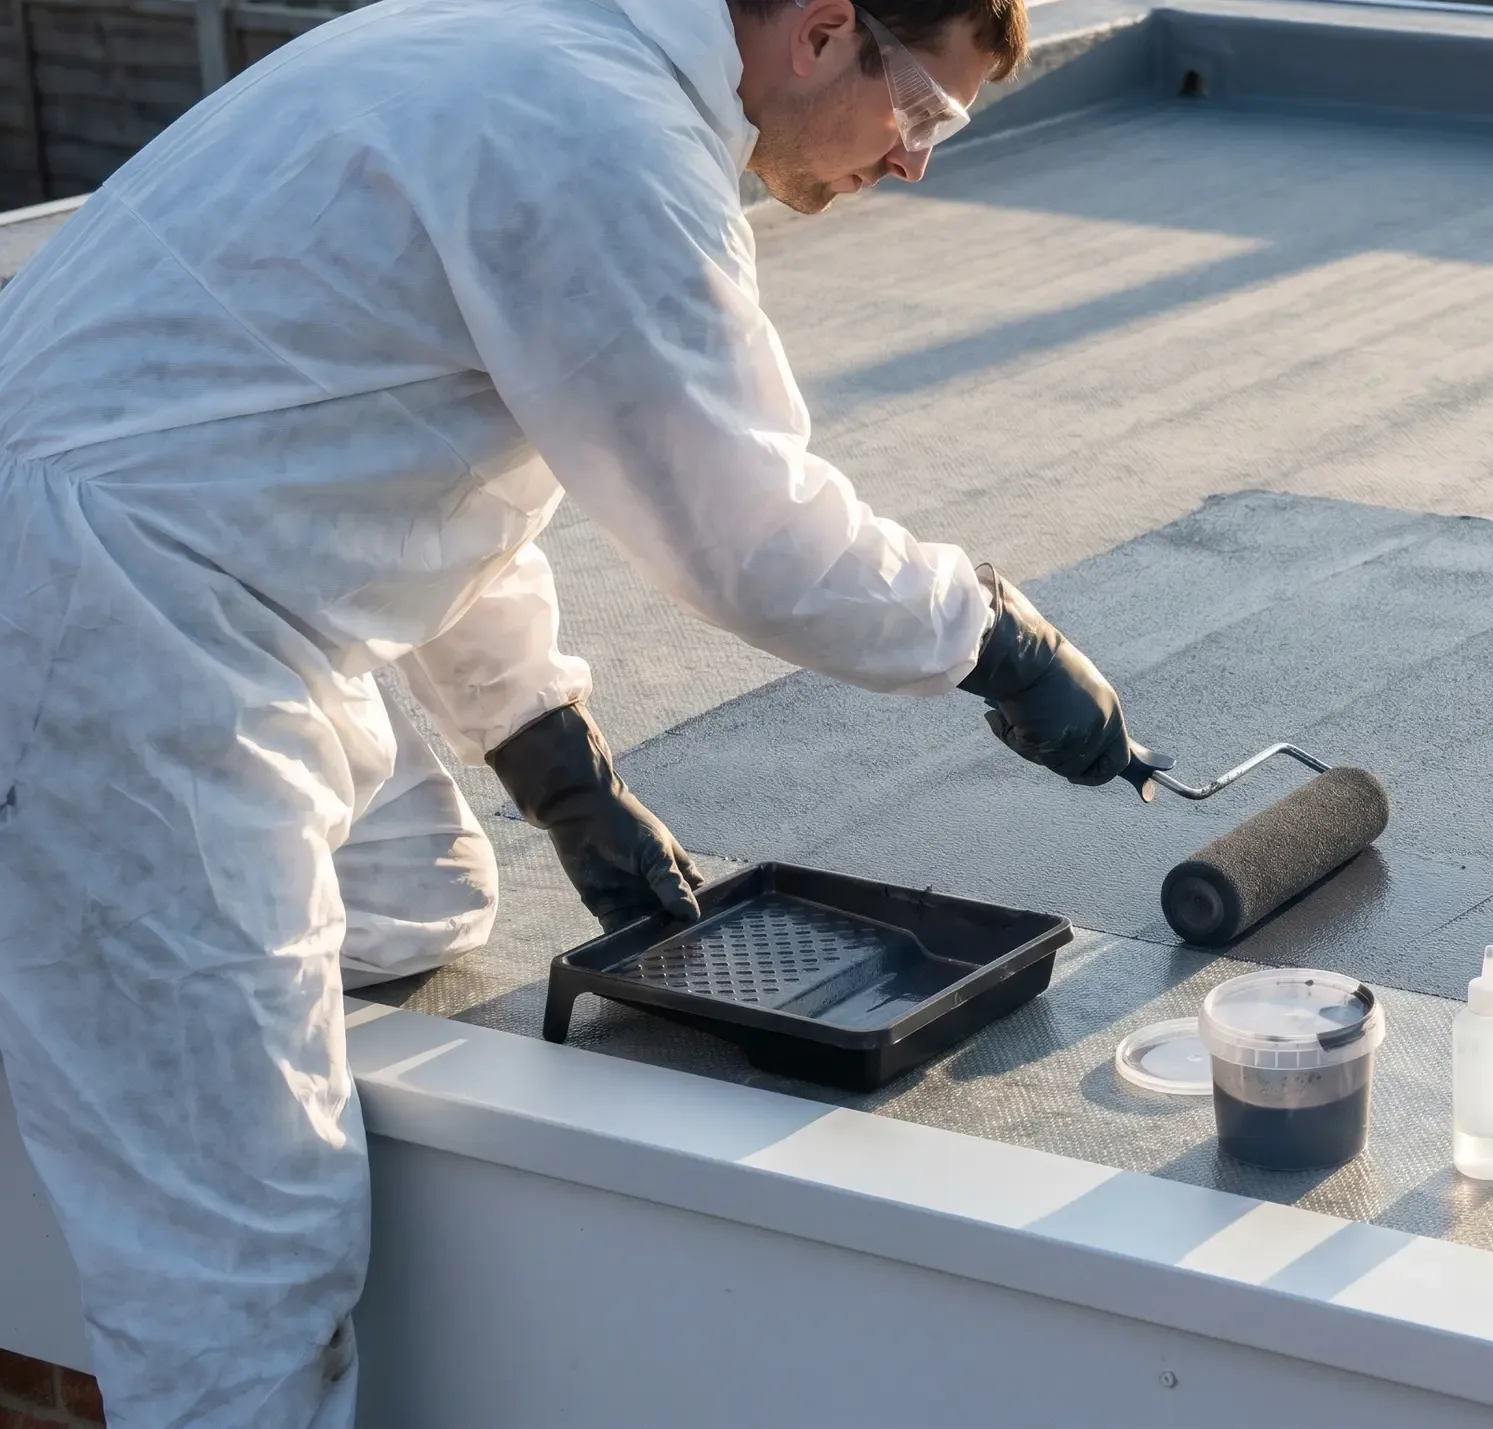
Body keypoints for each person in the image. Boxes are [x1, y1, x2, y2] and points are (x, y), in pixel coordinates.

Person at [0, 0, 1126, 1422]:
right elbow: (746, 528)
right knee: (245, 1264)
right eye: (926, 111)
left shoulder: (535, 50)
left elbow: (422, 457)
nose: (913, 161)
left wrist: (552, 760)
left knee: (417, 893)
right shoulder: (601, 136)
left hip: (191, 577)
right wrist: (992, 635)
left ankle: (84, 961)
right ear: (825, 30)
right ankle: (106, 993)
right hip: (105, 640)